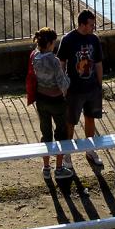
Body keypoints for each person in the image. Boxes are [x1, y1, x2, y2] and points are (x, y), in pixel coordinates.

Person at [57, 10, 105, 170]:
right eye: (91, 24)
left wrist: (99, 85)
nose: (94, 27)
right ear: (83, 24)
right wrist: (63, 86)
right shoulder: (68, 39)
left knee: (90, 118)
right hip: (74, 90)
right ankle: (68, 154)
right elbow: (61, 63)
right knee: (70, 121)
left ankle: (90, 149)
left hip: (92, 88)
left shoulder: (94, 39)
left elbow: (98, 63)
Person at [26, 27, 73, 180]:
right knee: (61, 133)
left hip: (41, 99)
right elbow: (63, 84)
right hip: (56, 101)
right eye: (55, 42)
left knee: (45, 133)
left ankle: (46, 167)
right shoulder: (54, 60)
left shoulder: (35, 56)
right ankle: (59, 168)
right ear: (51, 43)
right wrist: (69, 77)